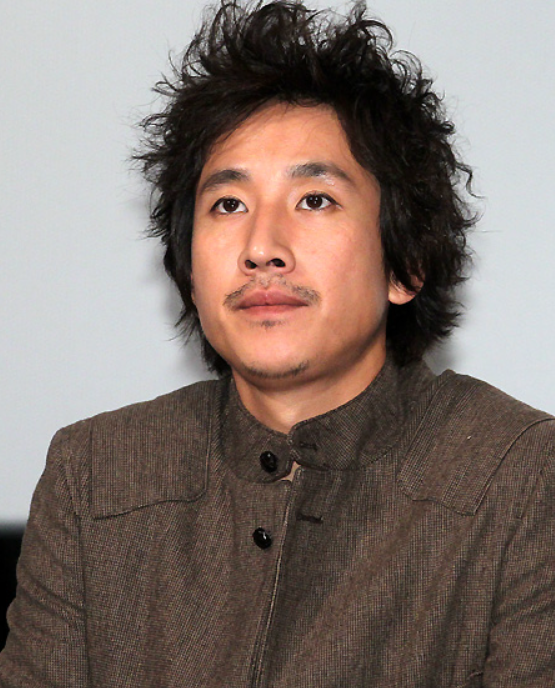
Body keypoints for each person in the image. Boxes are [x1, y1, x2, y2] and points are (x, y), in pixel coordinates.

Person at [1, 1, 554, 686]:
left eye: (314, 200)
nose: (261, 247)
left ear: (406, 263)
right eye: (228, 205)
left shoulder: (521, 476)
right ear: (189, 270)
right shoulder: (94, 475)